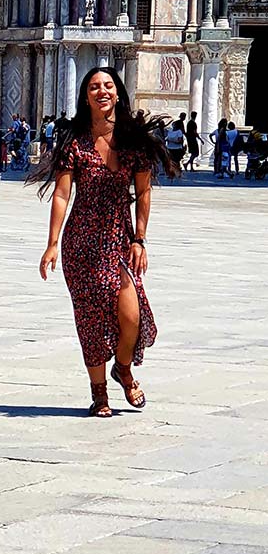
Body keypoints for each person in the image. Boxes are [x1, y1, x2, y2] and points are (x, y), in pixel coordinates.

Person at [33, 68, 179, 418]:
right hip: (81, 243)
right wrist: (52, 243)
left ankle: (123, 368)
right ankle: (99, 394)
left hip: (119, 240)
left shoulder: (134, 140)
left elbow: (143, 192)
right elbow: (62, 194)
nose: (102, 91)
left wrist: (140, 239)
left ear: (117, 93)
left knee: (132, 314)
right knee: (90, 319)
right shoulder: (75, 141)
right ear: (86, 97)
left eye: (108, 86)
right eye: (94, 87)